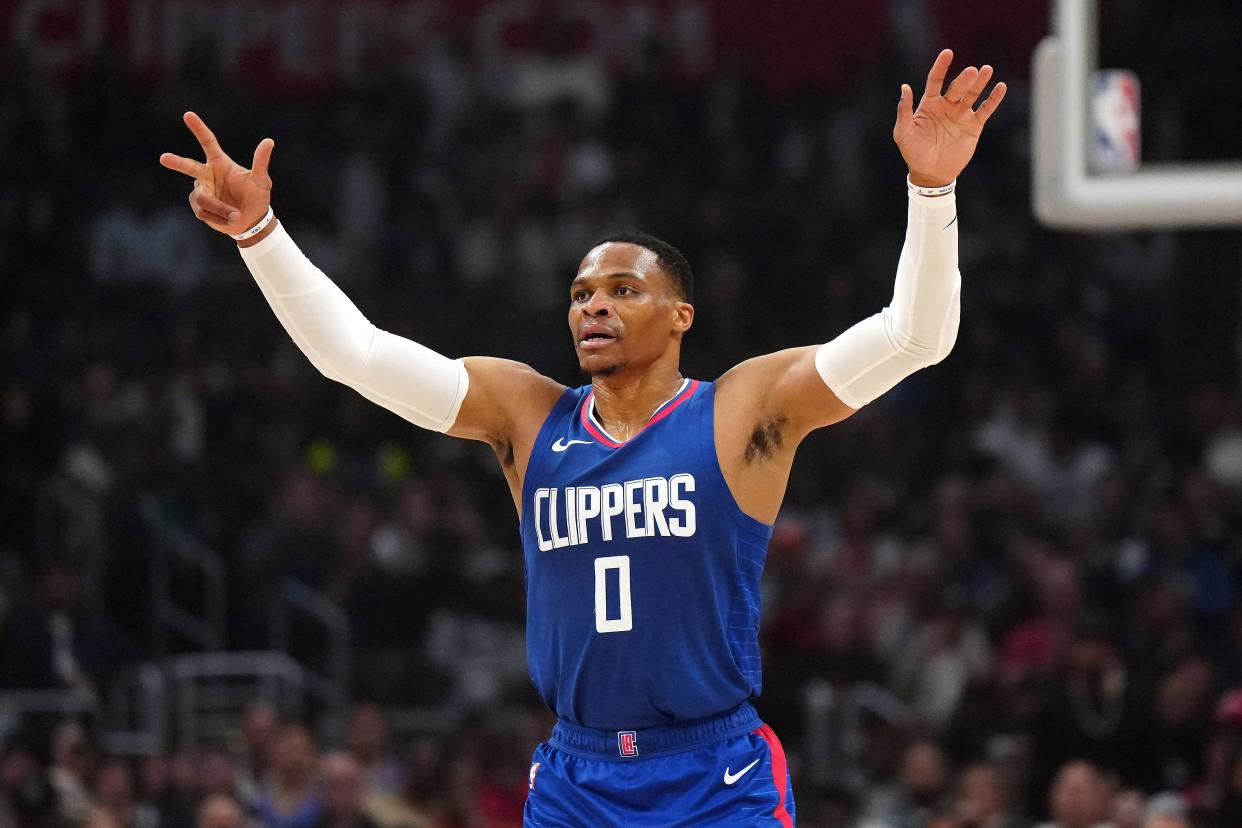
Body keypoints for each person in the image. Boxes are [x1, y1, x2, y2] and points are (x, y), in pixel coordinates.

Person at [160, 48, 1006, 826]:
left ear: (681, 316)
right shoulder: (525, 413)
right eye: (579, 293)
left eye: (620, 290)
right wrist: (259, 237)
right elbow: (356, 356)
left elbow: (915, 337)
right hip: (578, 773)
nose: (592, 305)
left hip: (712, 772)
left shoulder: (744, 409)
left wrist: (931, 192)